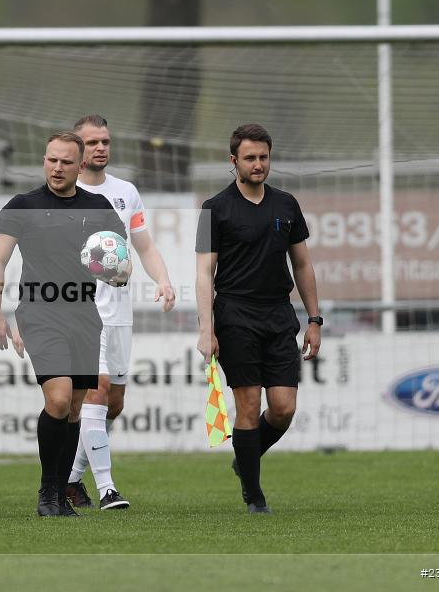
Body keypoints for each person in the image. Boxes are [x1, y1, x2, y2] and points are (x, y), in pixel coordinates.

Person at [0, 131, 126, 517]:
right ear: (44, 161)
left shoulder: (97, 207)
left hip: (84, 314)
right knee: (60, 398)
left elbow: (119, 262)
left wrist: (117, 270)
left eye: (66, 161)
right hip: (40, 313)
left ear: (80, 165)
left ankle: (60, 493)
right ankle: (48, 495)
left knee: (76, 408)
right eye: (51, 160)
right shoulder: (23, 204)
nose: (57, 167)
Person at [195, 124, 321, 514]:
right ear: (234, 162)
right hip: (235, 315)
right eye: (250, 158)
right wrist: (207, 329)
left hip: (279, 315)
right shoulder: (212, 209)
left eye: (263, 157)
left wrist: (314, 318)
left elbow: (301, 263)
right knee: (247, 408)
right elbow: (204, 272)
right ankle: (255, 495)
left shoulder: (287, 204)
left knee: (283, 408)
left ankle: (244, 459)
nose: (258, 164)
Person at [66, 115, 176, 511]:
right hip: (81, 313)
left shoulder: (125, 192)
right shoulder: (64, 192)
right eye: (92, 141)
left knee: (113, 404)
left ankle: (70, 479)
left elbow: (143, 246)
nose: (100, 148)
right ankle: (108, 488)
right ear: (76, 148)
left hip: (119, 313)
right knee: (96, 393)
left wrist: (162, 279)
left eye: (105, 141)